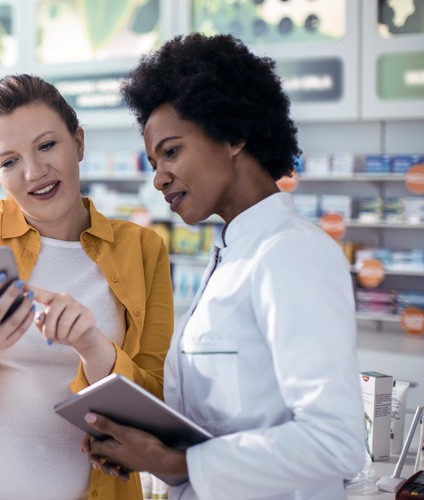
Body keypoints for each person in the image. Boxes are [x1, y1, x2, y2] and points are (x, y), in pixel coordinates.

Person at [81, 34, 366, 499]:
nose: (158, 178)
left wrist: (176, 461)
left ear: (234, 136)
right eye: (153, 161)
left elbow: (335, 444)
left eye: (171, 152)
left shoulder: (292, 253)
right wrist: (148, 450)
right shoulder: (233, 255)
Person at [0, 74, 174, 500]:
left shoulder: (142, 249)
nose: (34, 172)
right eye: (9, 161)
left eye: (46, 146)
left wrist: (94, 348)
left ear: (77, 142)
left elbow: (155, 406)